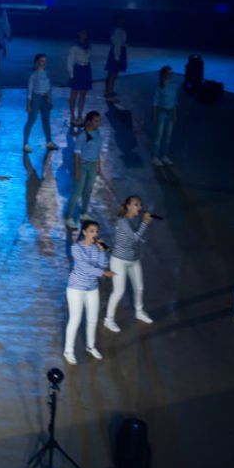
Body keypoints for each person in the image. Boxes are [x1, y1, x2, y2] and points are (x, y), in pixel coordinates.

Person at [104, 196, 159, 330]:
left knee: (139, 288)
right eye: (136, 204)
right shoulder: (122, 221)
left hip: (134, 259)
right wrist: (145, 223)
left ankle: (139, 311)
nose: (139, 207)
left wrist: (145, 224)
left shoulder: (137, 219)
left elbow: (142, 239)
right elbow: (134, 238)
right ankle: (108, 319)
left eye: (140, 205)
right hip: (119, 260)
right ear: (128, 206)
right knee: (119, 291)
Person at [64, 219, 114, 365]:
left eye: (96, 231)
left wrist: (102, 251)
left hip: (92, 288)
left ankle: (91, 346)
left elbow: (103, 264)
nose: (95, 234)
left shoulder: (96, 248)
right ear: (84, 232)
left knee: (92, 319)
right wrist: (103, 273)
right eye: (92, 231)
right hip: (76, 288)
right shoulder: (76, 248)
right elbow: (85, 267)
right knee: (75, 319)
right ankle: (68, 350)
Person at [66, 110, 104, 228]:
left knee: (88, 191)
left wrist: (99, 166)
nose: (98, 123)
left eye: (99, 120)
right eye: (96, 121)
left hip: (92, 166)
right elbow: (76, 154)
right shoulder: (82, 136)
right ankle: (69, 217)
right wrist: (77, 170)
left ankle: (83, 214)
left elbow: (97, 151)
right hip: (83, 166)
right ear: (89, 121)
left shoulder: (97, 132)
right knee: (77, 191)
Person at [23, 53, 58, 150]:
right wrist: (28, 105)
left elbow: (48, 87)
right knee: (31, 120)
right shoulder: (33, 75)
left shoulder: (47, 73)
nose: (44, 63)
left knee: (46, 121)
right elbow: (30, 91)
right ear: (37, 62)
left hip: (45, 99)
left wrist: (49, 100)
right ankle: (25, 143)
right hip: (36, 98)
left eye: (45, 61)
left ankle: (49, 142)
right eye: (42, 61)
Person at [66, 28, 94, 127]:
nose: (84, 34)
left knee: (83, 94)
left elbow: (89, 58)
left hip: (86, 70)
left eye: (85, 33)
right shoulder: (74, 46)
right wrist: (71, 75)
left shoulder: (88, 46)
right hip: (77, 70)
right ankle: (72, 115)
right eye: (82, 33)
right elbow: (70, 61)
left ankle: (80, 115)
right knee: (74, 94)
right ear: (79, 33)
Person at [151, 66, 178, 165]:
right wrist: (154, 115)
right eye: (168, 73)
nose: (170, 75)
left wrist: (175, 114)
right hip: (162, 112)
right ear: (163, 75)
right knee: (159, 136)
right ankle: (155, 157)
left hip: (170, 113)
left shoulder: (174, 85)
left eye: (171, 73)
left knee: (168, 136)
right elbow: (155, 102)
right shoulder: (159, 87)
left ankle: (164, 156)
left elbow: (175, 101)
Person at [104, 15, 129, 102]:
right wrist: (117, 58)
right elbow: (117, 44)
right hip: (117, 53)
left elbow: (117, 42)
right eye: (121, 20)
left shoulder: (115, 30)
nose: (123, 22)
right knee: (113, 74)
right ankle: (109, 93)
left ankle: (108, 91)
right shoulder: (119, 31)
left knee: (111, 73)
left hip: (116, 52)